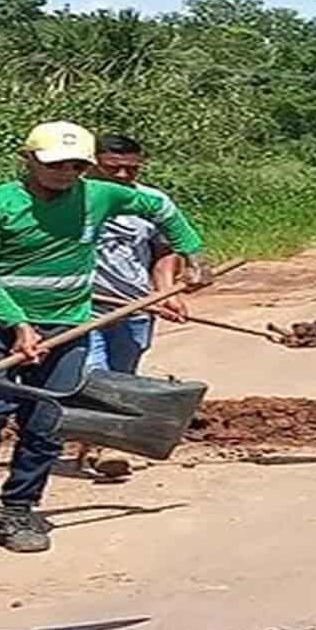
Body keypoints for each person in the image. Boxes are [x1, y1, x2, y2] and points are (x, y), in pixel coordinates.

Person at [0, 122, 200, 554]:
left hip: (66, 324)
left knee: (47, 418)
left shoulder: (100, 195)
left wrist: (192, 256)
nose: (66, 172)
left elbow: (163, 210)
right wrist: (20, 326)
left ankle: (20, 509)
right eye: (56, 164)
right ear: (28, 160)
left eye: (77, 165)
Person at [73, 133, 207, 478]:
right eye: (112, 168)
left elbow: (164, 251)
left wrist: (166, 292)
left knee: (124, 375)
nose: (122, 177)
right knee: (93, 373)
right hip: (81, 304)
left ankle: (93, 441)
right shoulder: (71, 198)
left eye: (131, 169)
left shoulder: (151, 201)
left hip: (136, 305)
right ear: (91, 165)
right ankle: (104, 447)